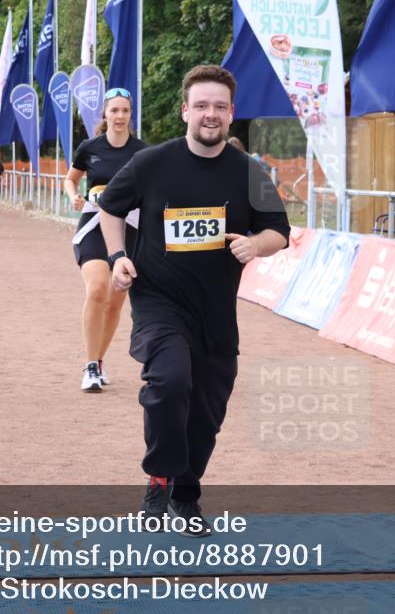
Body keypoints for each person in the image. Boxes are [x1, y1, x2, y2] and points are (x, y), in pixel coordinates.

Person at [98, 65, 289, 536]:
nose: (210, 114)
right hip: (159, 300)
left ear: (231, 114)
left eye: (219, 107)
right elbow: (109, 208)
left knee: (206, 411)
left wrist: (254, 245)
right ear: (185, 110)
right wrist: (118, 255)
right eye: (201, 105)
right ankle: (158, 481)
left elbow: (279, 232)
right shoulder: (152, 163)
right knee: (169, 381)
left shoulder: (249, 172)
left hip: (216, 312)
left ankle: (186, 496)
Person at [63, 87, 148, 391]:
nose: (120, 116)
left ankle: (99, 362)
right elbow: (71, 179)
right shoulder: (90, 147)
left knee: (114, 301)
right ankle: (89, 367)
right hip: (94, 225)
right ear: (105, 114)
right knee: (97, 288)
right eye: (114, 110)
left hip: (130, 229)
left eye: (125, 110)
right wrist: (74, 195)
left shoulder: (143, 151)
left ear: (130, 115)